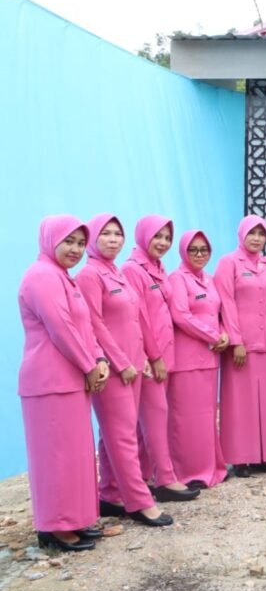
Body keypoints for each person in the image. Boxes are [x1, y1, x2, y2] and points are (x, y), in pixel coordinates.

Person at [18, 216, 108, 552]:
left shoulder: (63, 278)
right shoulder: (41, 276)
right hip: (48, 382)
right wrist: (89, 365)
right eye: (68, 241)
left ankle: (73, 518)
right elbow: (61, 328)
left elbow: (84, 327)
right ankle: (52, 528)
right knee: (54, 456)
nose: (75, 249)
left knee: (75, 455)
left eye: (81, 243)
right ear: (49, 240)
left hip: (71, 381)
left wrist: (99, 360)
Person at [78, 214, 173, 527]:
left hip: (133, 364)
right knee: (123, 437)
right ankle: (139, 502)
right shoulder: (90, 275)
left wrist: (143, 356)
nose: (113, 239)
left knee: (115, 434)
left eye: (117, 234)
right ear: (93, 238)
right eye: (105, 234)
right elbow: (95, 324)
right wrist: (122, 363)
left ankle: (110, 493)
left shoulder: (114, 271)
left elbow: (134, 320)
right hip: (114, 369)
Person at [122, 215, 197, 500]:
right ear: (143, 236)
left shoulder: (158, 267)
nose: (163, 243)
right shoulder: (132, 270)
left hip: (166, 353)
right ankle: (165, 480)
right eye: (158, 236)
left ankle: (145, 476)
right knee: (154, 418)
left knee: (153, 418)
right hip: (150, 357)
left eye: (167, 237)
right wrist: (153, 357)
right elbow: (139, 318)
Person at [214, 215, 266, 477]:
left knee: (264, 400)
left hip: (265, 343)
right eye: (251, 233)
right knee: (239, 401)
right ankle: (240, 457)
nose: (256, 238)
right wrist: (236, 340)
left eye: (261, 233)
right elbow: (225, 302)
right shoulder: (228, 262)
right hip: (241, 344)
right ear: (241, 234)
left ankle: (261, 455)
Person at [168, 230, 231, 489]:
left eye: (204, 250)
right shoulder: (177, 278)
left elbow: (219, 312)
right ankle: (188, 472)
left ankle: (212, 468)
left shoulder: (210, 279)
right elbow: (181, 315)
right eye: (193, 249)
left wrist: (224, 332)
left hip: (209, 358)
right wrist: (213, 335)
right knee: (185, 418)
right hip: (186, 360)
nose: (199, 254)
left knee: (206, 416)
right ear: (183, 251)